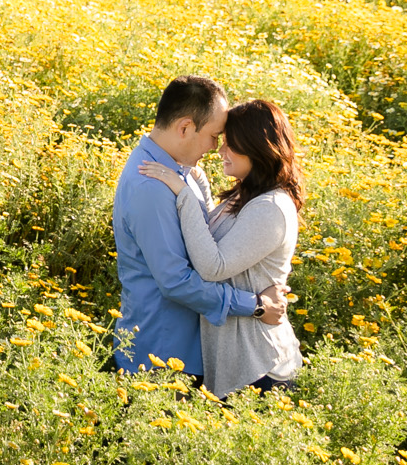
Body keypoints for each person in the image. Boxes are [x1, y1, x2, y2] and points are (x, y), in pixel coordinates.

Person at [111, 75, 286, 382]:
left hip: (190, 349)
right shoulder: (150, 186)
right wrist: (256, 305)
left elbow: (205, 243)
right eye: (214, 136)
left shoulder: (182, 172)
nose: (217, 148)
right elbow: (176, 281)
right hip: (161, 355)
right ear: (185, 128)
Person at [138, 97, 305, 397]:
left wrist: (182, 194)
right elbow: (217, 233)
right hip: (239, 364)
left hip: (260, 366)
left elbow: (213, 266)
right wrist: (194, 181)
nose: (220, 150)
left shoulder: (271, 207)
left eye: (231, 144)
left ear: (258, 147)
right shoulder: (247, 193)